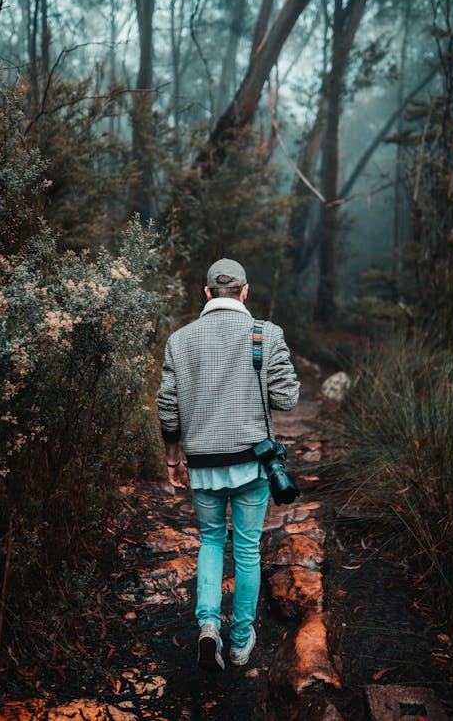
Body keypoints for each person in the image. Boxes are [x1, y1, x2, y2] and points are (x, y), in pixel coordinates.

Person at [156, 258, 299, 671]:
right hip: (253, 466)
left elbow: (167, 407)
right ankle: (239, 641)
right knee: (249, 549)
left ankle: (207, 627)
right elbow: (287, 398)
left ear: (206, 294)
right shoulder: (266, 334)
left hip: (202, 465)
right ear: (245, 291)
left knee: (212, 541)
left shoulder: (179, 340)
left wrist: (172, 459)